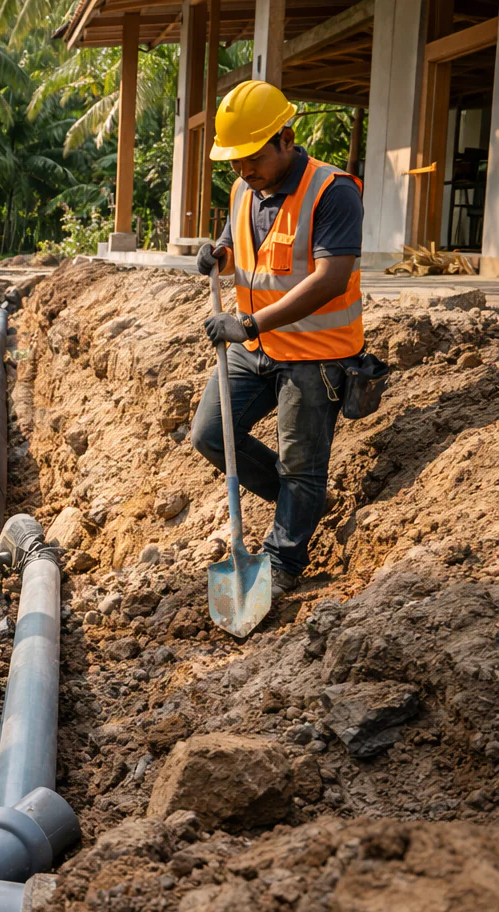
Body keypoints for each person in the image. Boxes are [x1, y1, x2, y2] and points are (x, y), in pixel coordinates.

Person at [191, 80, 364, 598]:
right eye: (234, 161)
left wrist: (249, 326)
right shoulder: (244, 187)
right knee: (210, 435)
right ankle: (305, 502)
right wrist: (217, 254)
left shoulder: (333, 191)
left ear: (286, 139)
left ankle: (285, 559)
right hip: (257, 350)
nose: (242, 169)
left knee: (300, 464)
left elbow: (331, 277)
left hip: (315, 356)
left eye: (251, 157)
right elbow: (235, 238)